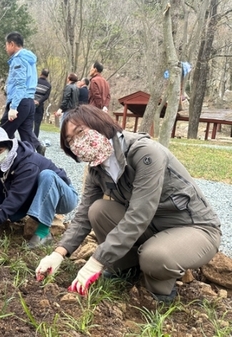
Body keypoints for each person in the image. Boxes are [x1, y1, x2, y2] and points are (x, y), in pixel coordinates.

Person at [35, 105, 222, 302]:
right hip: (152, 226)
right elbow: (82, 216)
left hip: (193, 228)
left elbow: (138, 215)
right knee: (97, 210)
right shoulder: (97, 168)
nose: (77, 142)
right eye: (70, 140)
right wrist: (58, 253)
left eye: (80, 131)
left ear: (100, 123)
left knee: (154, 257)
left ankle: (158, 294)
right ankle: (126, 268)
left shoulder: (145, 153)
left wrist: (96, 261)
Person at [0, 127, 78, 249]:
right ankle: (40, 215)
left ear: (9, 146)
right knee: (13, 215)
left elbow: (15, 198)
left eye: (0, 150)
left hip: (64, 198)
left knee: (47, 176)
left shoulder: (28, 164)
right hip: (35, 196)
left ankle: (43, 233)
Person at [0, 32, 46, 156]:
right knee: (27, 135)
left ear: (12, 44)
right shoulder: (29, 59)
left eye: (6, 45)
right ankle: (34, 153)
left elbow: (20, 85)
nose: (6, 48)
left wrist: (13, 107)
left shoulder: (19, 60)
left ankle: (3, 162)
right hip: (29, 102)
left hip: (19, 101)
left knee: (3, 132)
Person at [33, 69, 52, 138]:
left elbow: (30, 90)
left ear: (41, 73)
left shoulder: (34, 81)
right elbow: (46, 96)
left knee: (28, 122)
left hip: (31, 103)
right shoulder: (48, 85)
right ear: (47, 76)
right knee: (37, 124)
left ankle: (27, 139)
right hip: (39, 105)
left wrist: (33, 99)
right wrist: (39, 101)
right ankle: (35, 139)